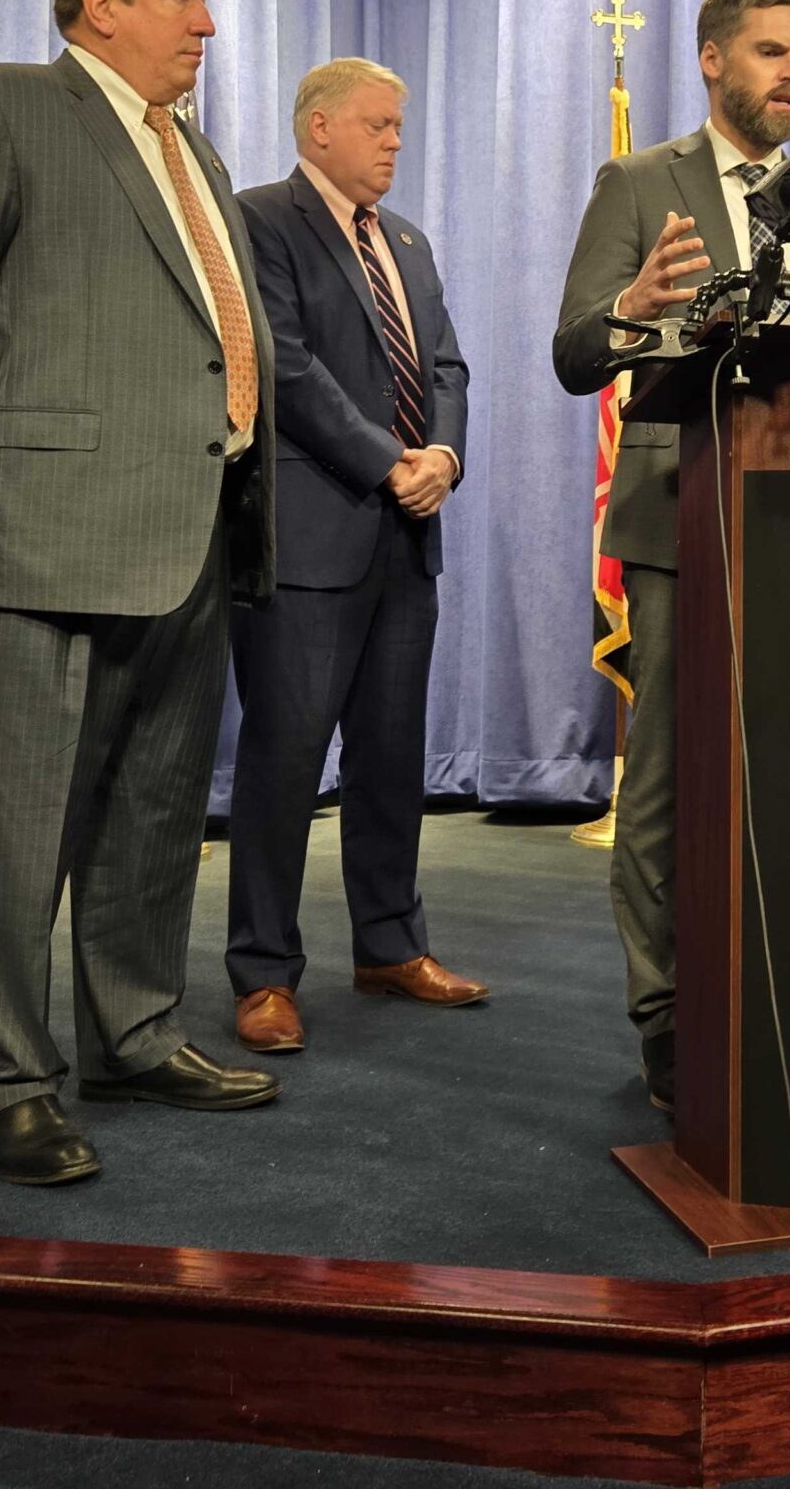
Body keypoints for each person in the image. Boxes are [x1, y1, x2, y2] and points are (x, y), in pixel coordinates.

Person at [0, 0, 282, 1186]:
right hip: (34, 539)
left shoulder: (192, 155)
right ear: (100, 5)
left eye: (205, 2)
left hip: (192, 534)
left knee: (154, 814)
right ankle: (1, 1081)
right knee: (17, 829)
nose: (204, 23)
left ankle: (135, 1031)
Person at [552, 0, 790, 1112]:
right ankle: (665, 1013)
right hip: (679, 527)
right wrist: (637, 310)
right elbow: (573, 353)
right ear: (713, 61)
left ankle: (785, 994)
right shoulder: (638, 182)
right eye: (770, 53)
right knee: (665, 776)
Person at [224, 59, 484, 1055]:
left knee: (391, 757)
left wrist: (443, 458)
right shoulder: (260, 220)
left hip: (408, 538)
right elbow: (283, 363)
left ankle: (389, 944)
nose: (393, 142)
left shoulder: (407, 242)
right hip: (308, 539)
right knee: (284, 759)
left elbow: (446, 364)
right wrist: (389, 464)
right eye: (377, 125)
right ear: (319, 126)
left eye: (399, 128)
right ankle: (263, 974)